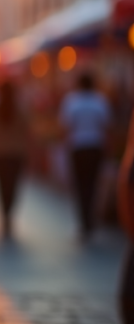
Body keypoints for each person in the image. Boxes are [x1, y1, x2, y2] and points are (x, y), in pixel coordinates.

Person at [59, 72, 112, 241]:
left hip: (78, 148)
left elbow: (66, 128)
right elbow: (106, 128)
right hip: (95, 147)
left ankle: (84, 222)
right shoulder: (100, 101)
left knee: (80, 186)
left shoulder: (72, 102)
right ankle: (90, 220)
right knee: (93, 184)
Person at [0, 81, 30, 240]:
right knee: (13, 187)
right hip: (16, 153)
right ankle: (9, 216)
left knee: (2, 186)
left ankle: (4, 216)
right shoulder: (20, 110)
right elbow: (28, 132)